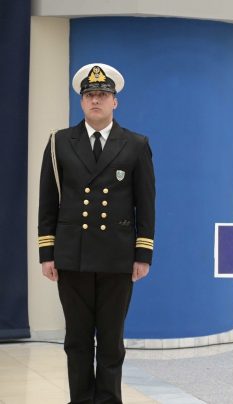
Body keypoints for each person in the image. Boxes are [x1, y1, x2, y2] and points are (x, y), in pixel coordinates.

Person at [38, 63, 156, 403]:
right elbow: (48, 202)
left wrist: (143, 254)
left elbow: (146, 203)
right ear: (81, 101)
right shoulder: (59, 142)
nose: (95, 100)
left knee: (110, 341)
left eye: (103, 95)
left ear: (114, 101)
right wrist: (47, 253)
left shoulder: (135, 144)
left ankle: (108, 400)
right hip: (72, 256)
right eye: (89, 94)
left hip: (116, 257)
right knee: (76, 339)